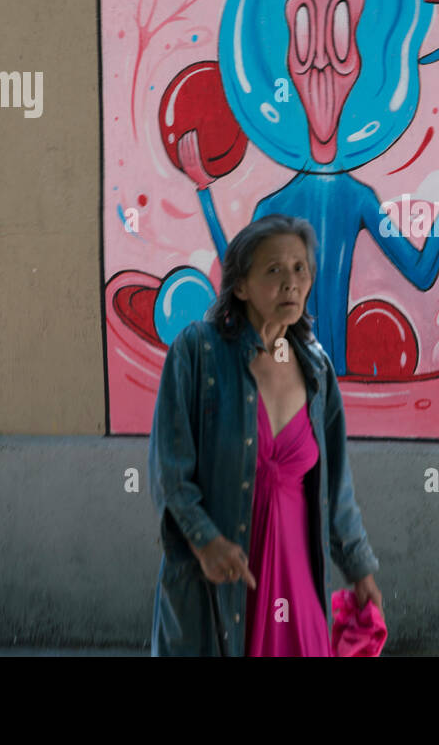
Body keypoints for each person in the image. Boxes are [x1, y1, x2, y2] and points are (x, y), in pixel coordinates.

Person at [148, 213, 382, 656]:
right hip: (221, 580)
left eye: (300, 269)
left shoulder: (316, 370)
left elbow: (336, 490)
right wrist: (206, 542)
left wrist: (359, 568)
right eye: (273, 270)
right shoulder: (197, 354)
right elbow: (169, 473)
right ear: (241, 286)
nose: (291, 282)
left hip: (297, 583)